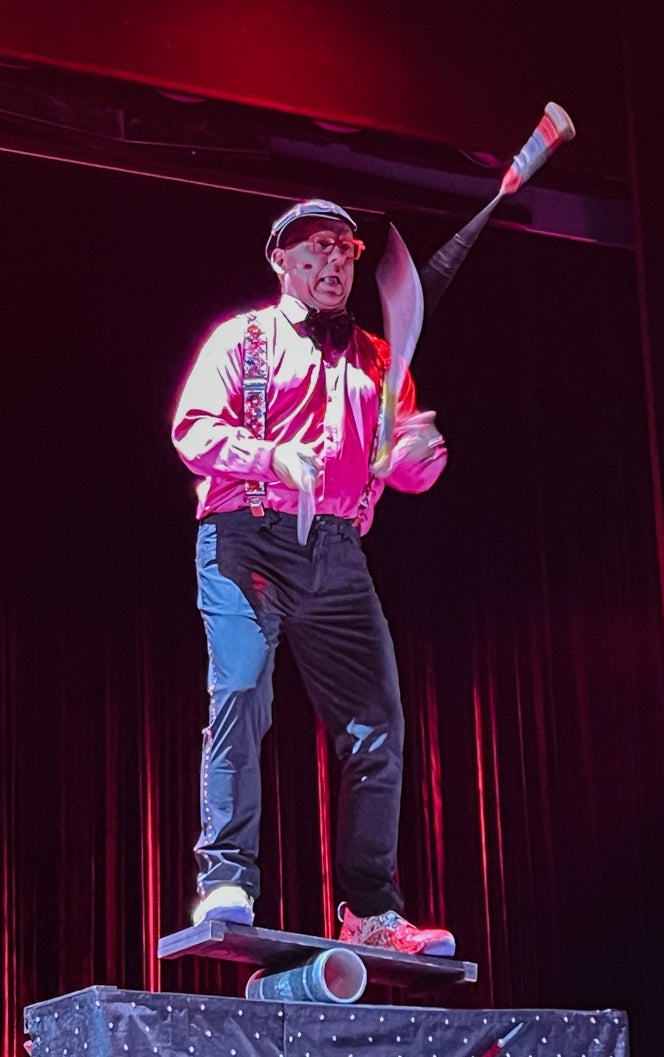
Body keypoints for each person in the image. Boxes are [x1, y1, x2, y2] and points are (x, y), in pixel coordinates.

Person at [170, 198, 455, 956]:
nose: (334, 261)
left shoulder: (378, 359)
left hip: (335, 550)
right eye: (316, 247)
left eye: (346, 248)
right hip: (248, 541)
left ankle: (371, 907)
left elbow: (395, 465)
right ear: (281, 260)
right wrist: (272, 456)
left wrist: (416, 464)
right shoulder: (243, 340)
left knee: (377, 723)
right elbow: (192, 431)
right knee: (240, 690)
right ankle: (226, 875)